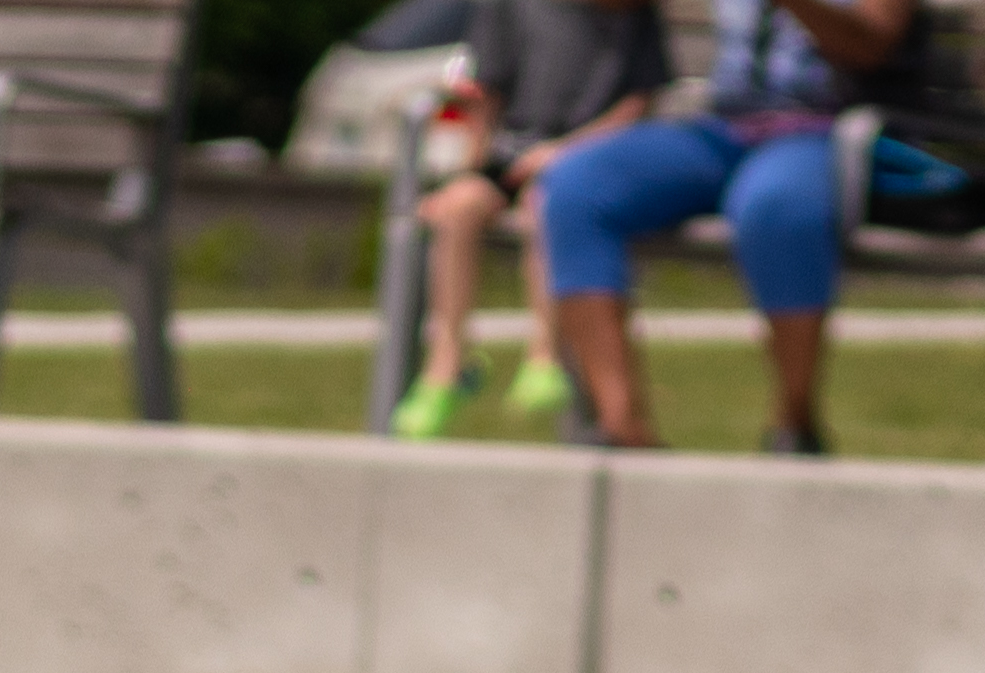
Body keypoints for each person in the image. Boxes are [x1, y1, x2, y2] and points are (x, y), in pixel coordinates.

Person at [535, 0, 917, 457]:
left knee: (775, 206)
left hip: (817, 128)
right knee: (576, 186)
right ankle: (622, 427)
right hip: (723, 127)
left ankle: (794, 425)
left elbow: (871, 45)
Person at [384, 0, 654, 438]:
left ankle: (544, 354)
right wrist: (468, 172)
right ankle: (448, 364)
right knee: (456, 210)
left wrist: (564, 152)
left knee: (546, 204)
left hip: (582, 161)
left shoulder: (629, 11)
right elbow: (488, 92)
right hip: (510, 157)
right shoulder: (510, 6)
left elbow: (639, 103)